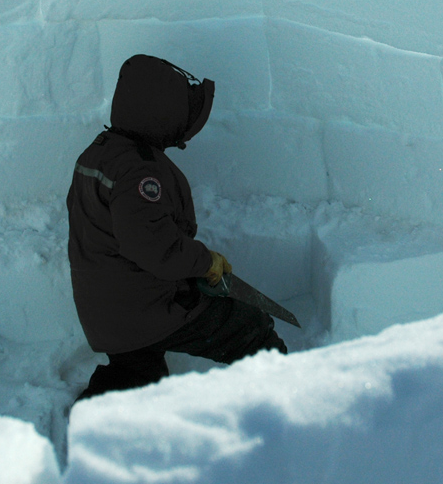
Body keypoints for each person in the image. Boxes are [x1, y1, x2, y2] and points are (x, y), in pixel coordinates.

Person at [66, 54, 287, 401]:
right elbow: (154, 247)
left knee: (136, 372)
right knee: (249, 329)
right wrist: (205, 261)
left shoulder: (98, 153)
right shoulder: (141, 172)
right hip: (146, 309)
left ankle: (97, 412)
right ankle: (285, 397)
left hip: (109, 310)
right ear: (161, 111)